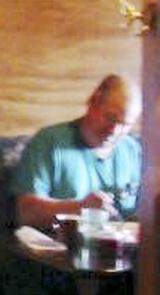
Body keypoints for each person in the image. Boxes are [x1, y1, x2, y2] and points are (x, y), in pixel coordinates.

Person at [12, 74, 142, 231]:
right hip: (60, 249)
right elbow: (25, 212)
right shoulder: (49, 142)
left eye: (124, 124)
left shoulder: (132, 150)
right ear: (92, 103)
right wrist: (79, 208)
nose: (114, 130)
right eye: (110, 117)